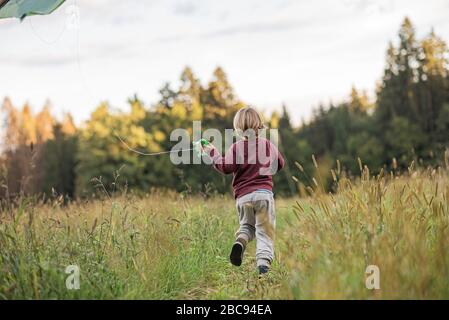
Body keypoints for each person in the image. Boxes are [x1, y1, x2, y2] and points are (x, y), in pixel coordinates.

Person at [202, 106, 285, 275]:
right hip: (263, 195)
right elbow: (280, 163)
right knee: (264, 231)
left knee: (247, 226)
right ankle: (263, 267)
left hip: (243, 197)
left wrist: (213, 153)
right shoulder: (267, 145)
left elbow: (225, 167)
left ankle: (240, 241)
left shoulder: (236, 147)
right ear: (259, 126)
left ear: (238, 128)